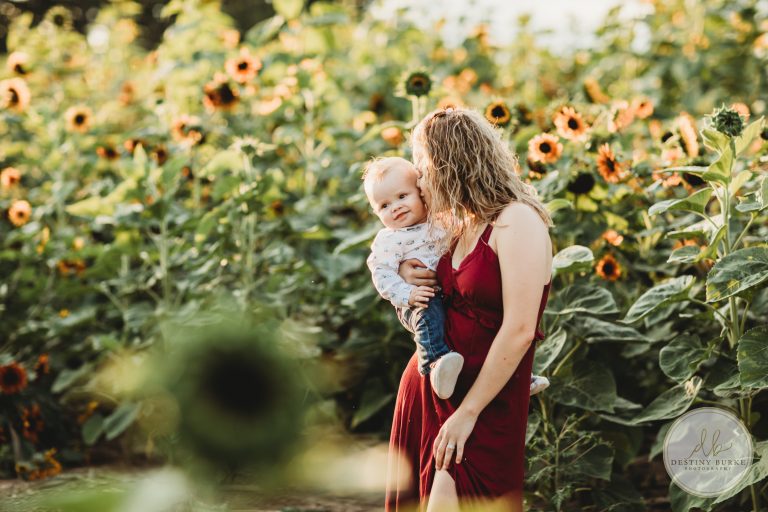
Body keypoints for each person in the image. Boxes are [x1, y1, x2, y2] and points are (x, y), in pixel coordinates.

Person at [384, 107, 554, 512]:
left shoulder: (517, 222)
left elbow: (519, 329)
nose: (420, 180)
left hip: (481, 402)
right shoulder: (461, 224)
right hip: (432, 393)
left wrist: (468, 413)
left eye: (423, 168)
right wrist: (407, 272)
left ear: (448, 165)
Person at [363, 156, 551, 400]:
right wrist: (407, 291)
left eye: (402, 196)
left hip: (447, 294)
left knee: (479, 324)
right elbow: (380, 273)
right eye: (384, 206)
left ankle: (519, 378)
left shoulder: (445, 221)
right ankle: (435, 363)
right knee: (428, 314)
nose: (395, 207)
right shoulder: (389, 240)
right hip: (417, 300)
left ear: (421, 193)